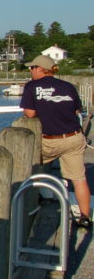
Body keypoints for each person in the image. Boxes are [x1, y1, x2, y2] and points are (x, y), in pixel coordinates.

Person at [20, 55, 91, 229]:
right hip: (73, 138)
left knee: (24, 164)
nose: (30, 71)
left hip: (49, 141)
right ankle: (85, 217)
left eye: (32, 68)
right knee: (79, 179)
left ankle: (26, 205)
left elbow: (29, 113)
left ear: (40, 69)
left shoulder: (31, 86)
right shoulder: (68, 86)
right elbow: (77, 111)